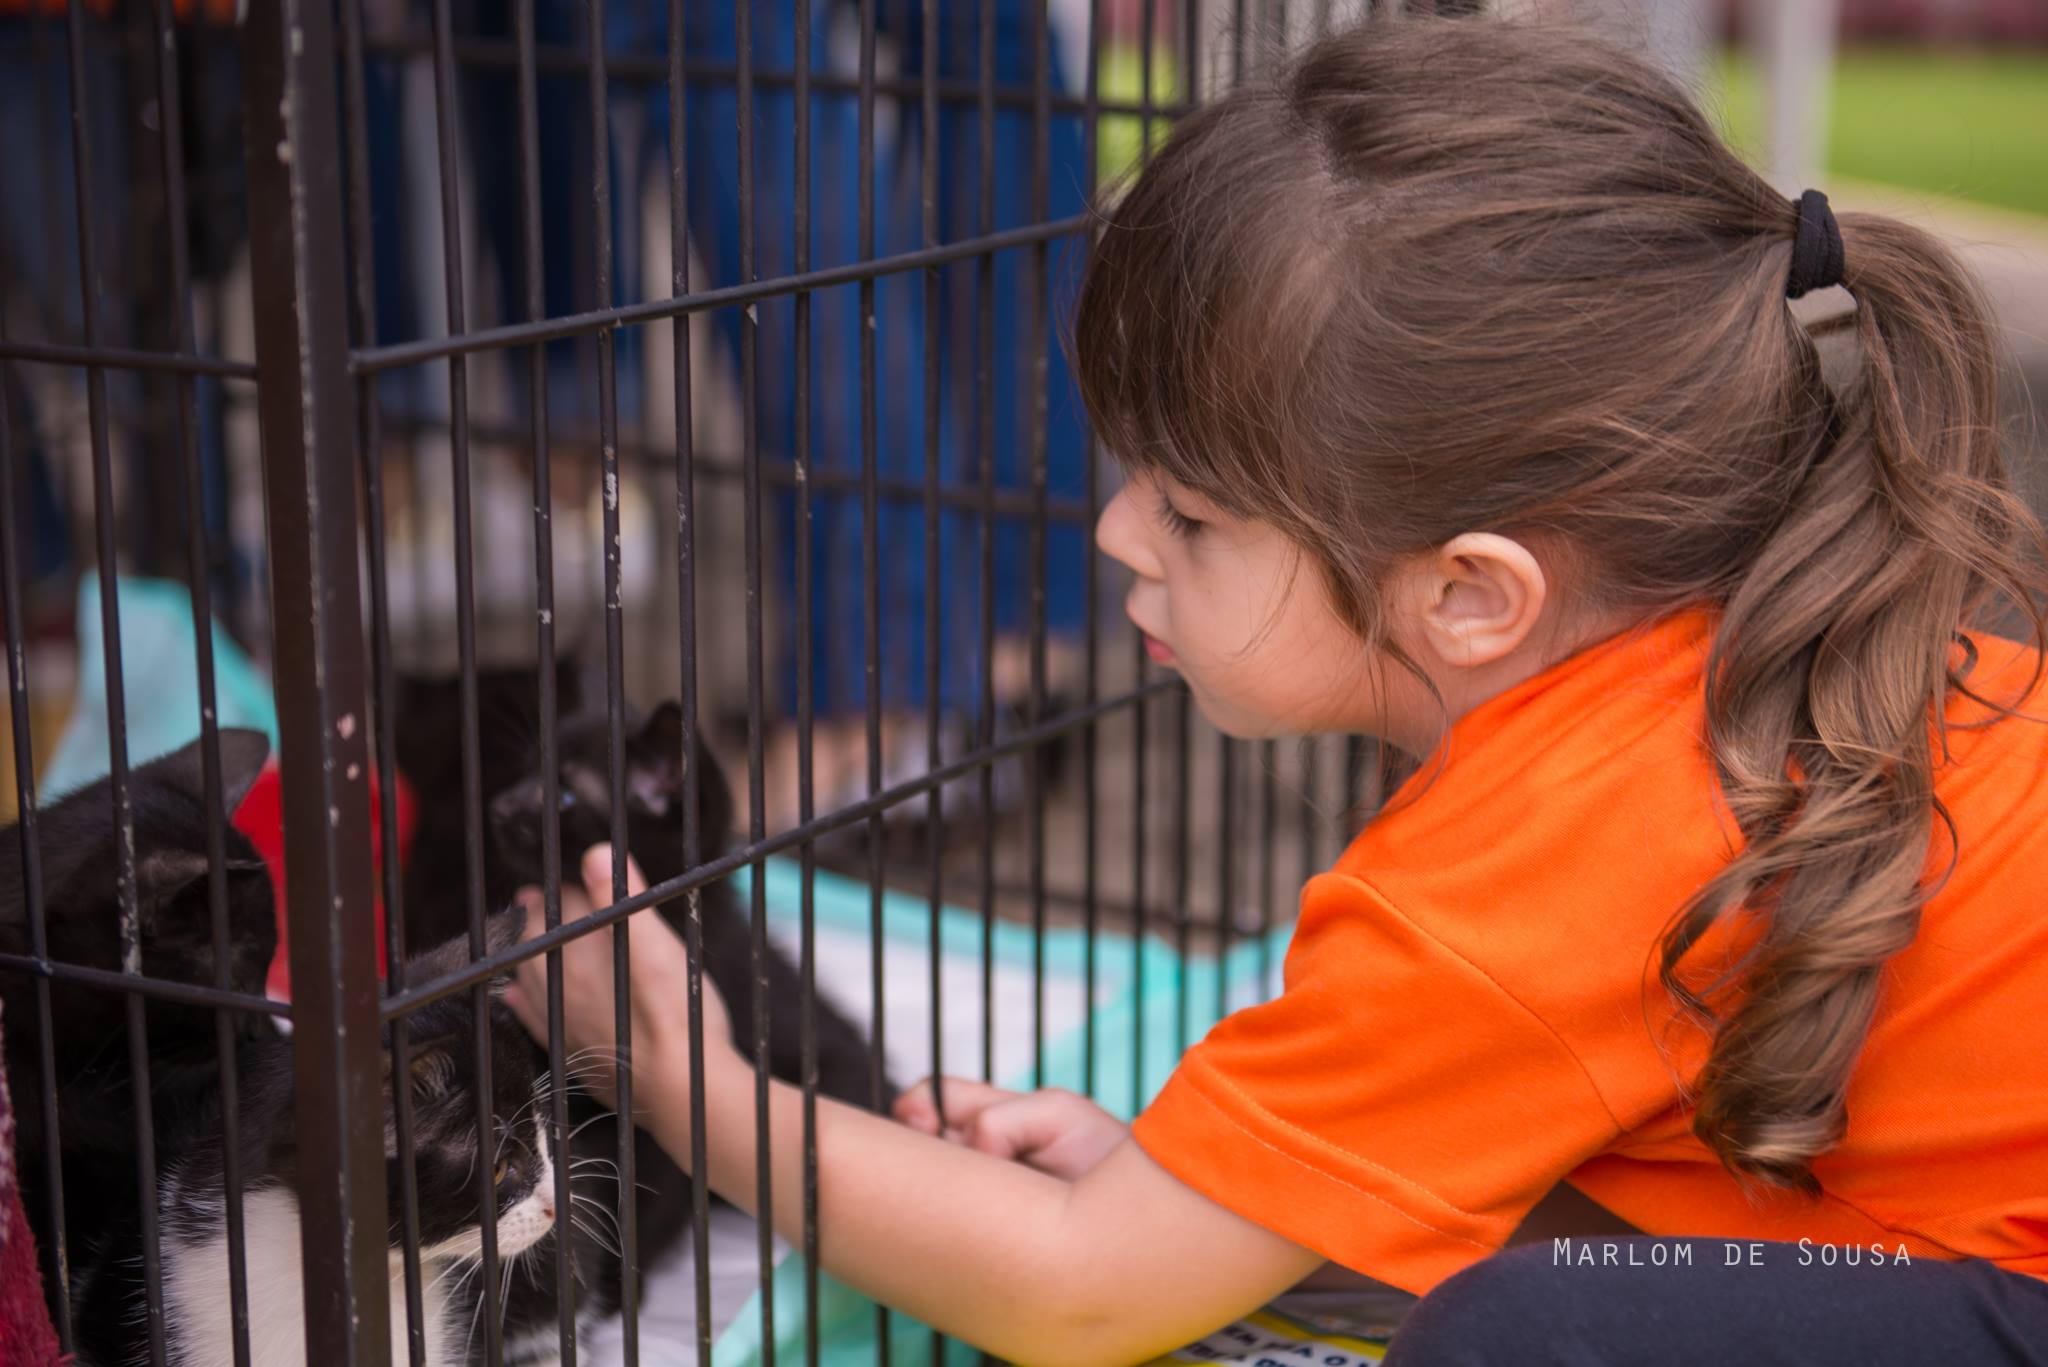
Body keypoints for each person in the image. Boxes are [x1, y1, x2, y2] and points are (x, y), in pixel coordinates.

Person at [503, 16, 2048, 1365]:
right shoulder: (1714, 665)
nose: (1112, 533)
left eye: (1192, 515)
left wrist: (678, 1082)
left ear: (1469, 595)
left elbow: (1075, 1297)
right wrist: (1235, 1197)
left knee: (1527, 1337)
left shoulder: (1517, 878)